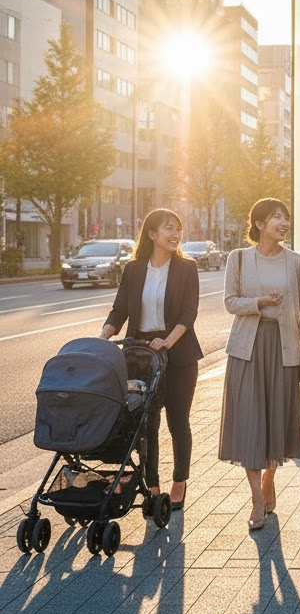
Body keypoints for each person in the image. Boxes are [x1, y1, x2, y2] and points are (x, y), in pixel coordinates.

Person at [220, 198, 300, 532]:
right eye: (277, 217)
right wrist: (259, 302)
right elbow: (230, 302)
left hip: (283, 348)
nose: (284, 222)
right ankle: (256, 498)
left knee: (276, 420)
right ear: (259, 224)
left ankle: (269, 478)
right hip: (246, 349)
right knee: (249, 420)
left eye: (286, 217)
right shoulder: (238, 258)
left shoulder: (295, 262)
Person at [100, 208, 201, 510]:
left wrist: (168, 340)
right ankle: (152, 484)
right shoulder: (133, 269)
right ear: (152, 234)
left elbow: (189, 312)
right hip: (141, 355)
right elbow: (119, 309)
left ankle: (179, 481)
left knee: (178, 421)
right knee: (146, 424)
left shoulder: (186, 267)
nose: (175, 234)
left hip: (178, 353)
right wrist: (102, 339)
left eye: (178, 228)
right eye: (169, 228)